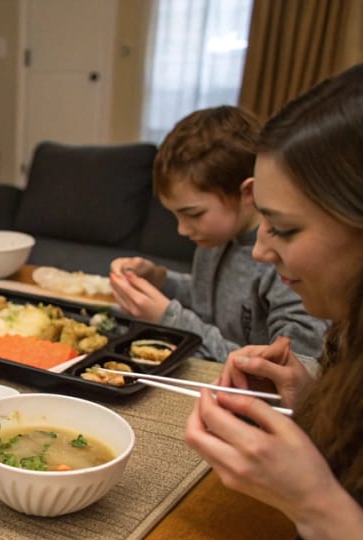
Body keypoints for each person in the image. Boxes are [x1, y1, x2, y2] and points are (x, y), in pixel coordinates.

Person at [185, 58, 363, 540]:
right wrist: (313, 401)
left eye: (287, 229)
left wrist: (315, 501)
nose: (263, 251)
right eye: (262, 221)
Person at [109, 106, 328, 361]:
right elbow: (206, 295)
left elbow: (290, 368)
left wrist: (170, 318)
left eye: (193, 214)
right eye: (175, 215)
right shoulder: (215, 240)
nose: (182, 229)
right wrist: (160, 280)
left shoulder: (284, 264)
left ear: (248, 193)